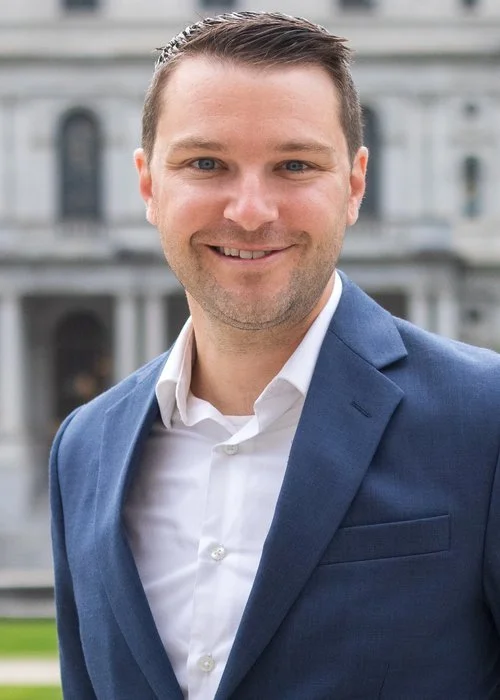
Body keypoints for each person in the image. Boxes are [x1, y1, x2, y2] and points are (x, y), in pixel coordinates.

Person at [49, 11, 500, 700]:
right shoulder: (83, 449)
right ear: (148, 186)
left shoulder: (484, 422)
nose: (252, 211)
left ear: (354, 184)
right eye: (206, 164)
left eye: (295, 165)